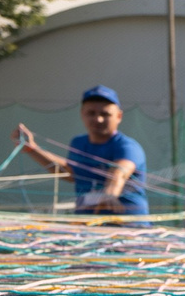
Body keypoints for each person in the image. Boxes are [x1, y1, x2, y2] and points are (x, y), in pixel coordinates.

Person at [10, 87, 150, 219]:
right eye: (91, 113)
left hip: (128, 227)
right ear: (82, 114)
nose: (98, 119)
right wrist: (32, 149)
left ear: (119, 116)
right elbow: (70, 173)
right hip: (87, 225)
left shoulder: (127, 146)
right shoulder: (78, 143)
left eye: (105, 114)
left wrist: (109, 195)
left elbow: (119, 172)